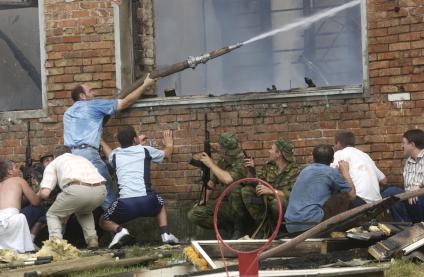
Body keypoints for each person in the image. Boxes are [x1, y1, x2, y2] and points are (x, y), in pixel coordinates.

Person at [63, 75, 156, 210]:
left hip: (72, 158)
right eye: (91, 91)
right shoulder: (92, 105)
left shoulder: (68, 113)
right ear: (82, 96)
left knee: (80, 196)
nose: (94, 94)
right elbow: (125, 103)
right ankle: (116, 227)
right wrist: (145, 85)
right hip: (88, 155)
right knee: (107, 190)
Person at [99, 126, 178, 248]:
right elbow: (167, 154)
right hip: (148, 201)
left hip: (126, 204)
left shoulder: (115, 155)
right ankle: (165, 234)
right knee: (160, 204)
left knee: (103, 221)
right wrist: (169, 144)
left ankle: (120, 231)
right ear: (135, 139)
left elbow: (109, 153)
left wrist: (101, 140)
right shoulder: (145, 150)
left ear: (120, 142)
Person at [37, 145, 107, 250]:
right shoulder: (82, 159)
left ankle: (56, 245)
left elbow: (45, 193)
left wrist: (37, 194)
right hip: (101, 190)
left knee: (52, 214)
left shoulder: (54, 163)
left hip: (77, 190)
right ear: (70, 152)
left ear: (55, 156)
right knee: (84, 212)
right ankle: (92, 240)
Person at [187, 133, 249, 239]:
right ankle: (227, 226)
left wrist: (211, 164)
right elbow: (211, 183)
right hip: (225, 206)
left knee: (234, 188)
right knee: (194, 214)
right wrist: (204, 200)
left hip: (242, 209)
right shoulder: (222, 162)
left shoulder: (243, 162)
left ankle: (240, 229)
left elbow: (228, 179)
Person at [285, 144, 356, 233]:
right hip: (310, 225)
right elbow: (352, 195)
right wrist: (345, 172)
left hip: (290, 224)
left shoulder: (304, 171)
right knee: (343, 196)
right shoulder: (331, 172)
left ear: (313, 158)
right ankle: (335, 231)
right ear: (333, 159)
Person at [243, 139, 303, 237]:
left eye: (271, 149)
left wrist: (272, 191)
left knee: (276, 203)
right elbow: (257, 181)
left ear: (279, 153)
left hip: (285, 205)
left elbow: (293, 194)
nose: (269, 151)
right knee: (246, 192)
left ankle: (280, 230)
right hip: (267, 202)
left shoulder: (296, 171)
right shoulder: (269, 167)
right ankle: (264, 226)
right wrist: (251, 169)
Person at [332, 130, 387, 207]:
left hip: (359, 202)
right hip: (377, 202)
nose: (334, 147)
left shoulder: (339, 153)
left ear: (338, 143)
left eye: (334, 144)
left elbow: (329, 175)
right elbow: (384, 180)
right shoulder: (365, 155)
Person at [383, 129, 424, 222]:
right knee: (390, 192)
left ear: (412, 145)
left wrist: (419, 186)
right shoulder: (408, 162)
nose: (402, 146)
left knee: (419, 197)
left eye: (404, 143)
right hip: (411, 202)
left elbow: (417, 189)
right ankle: (406, 228)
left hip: (421, 200)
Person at [0, 159, 40, 253]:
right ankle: (31, 240)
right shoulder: (18, 180)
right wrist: (40, 192)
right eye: (16, 167)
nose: (19, 170)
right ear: (10, 171)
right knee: (39, 210)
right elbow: (35, 202)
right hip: (12, 221)